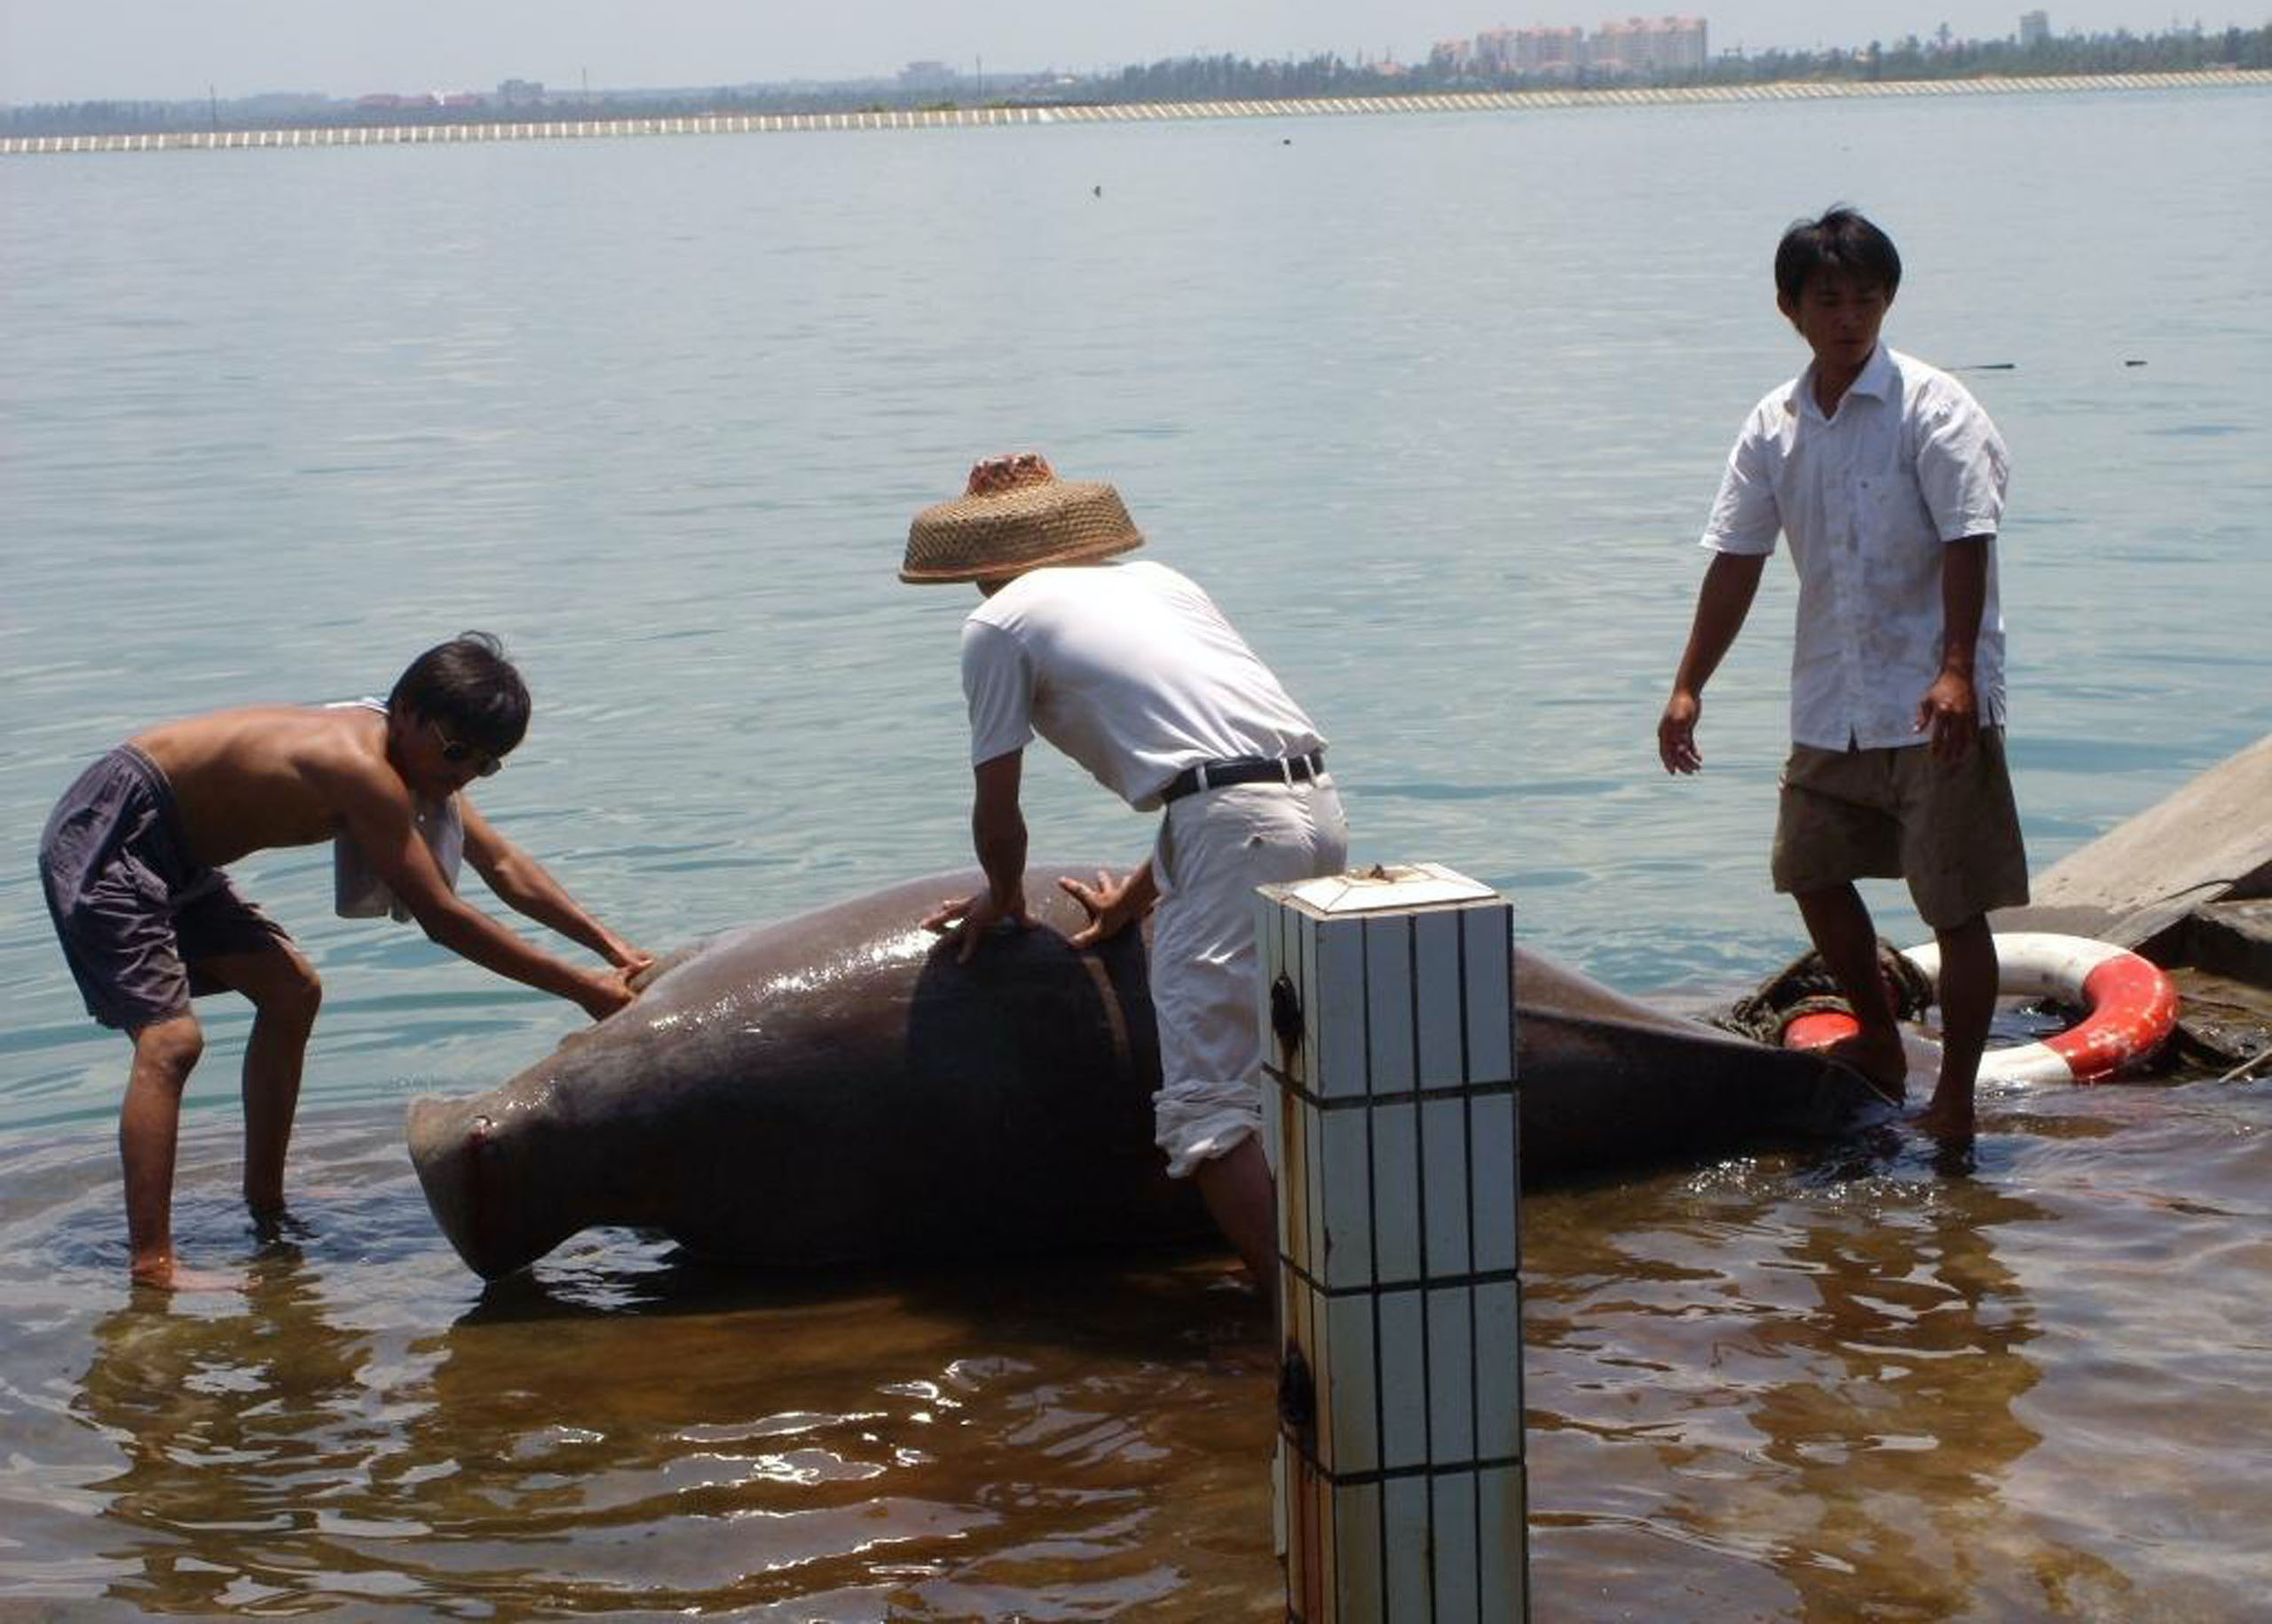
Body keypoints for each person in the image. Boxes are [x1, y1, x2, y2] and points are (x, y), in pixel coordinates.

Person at [38, 632, 651, 1290]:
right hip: (119, 829)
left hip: (181, 855)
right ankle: (153, 1264)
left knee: (292, 992)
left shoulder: (421, 764)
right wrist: (580, 988)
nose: (464, 773)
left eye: (486, 764)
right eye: (455, 752)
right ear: (409, 712)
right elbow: (443, 918)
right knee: (171, 1041)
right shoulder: (364, 771)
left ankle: (266, 1203)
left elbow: (502, 864)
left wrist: (610, 946)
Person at [903, 453, 1348, 1284]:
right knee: (1287, 1066)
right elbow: (1226, 766)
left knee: (1205, 1114)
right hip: (1317, 807)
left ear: (979, 562)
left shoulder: (999, 626)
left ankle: (1309, 1326)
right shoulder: (1161, 582)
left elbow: (999, 808)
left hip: (1232, 829)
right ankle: (1346, 1278)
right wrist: (1140, 897)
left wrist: (1002, 896)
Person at [1657, 206, 2028, 1142]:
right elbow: (1736, 558)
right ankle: (1878, 1037)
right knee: (1810, 869)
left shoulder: (1934, 406)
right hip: (1831, 696)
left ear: (1887, 299)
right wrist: (1688, 682)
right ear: (1789, 308)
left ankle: (1955, 1103)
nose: (1849, 315)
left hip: (1931, 699)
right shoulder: (1775, 423)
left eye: (1866, 297)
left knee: (1952, 901)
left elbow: (1967, 536)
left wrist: (1955, 673)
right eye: (1829, 299)